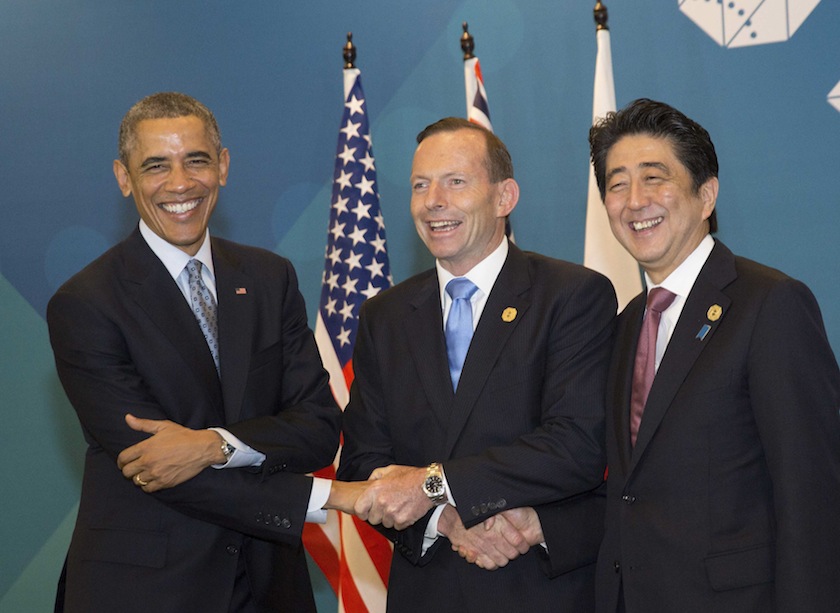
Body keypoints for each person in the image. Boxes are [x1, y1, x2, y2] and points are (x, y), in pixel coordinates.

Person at [47, 92, 346, 613]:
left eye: (197, 160)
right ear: (124, 178)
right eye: (156, 166)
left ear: (223, 166)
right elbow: (155, 468)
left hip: (271, 585)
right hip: (147, 592)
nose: (180, 184)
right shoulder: (85, 303)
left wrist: (213, 445)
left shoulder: (270, 278)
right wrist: (325, 498)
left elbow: (319, 427)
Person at [337, 117, 617, 612]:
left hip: (540, 588)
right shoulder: (384, 316)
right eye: (420, 185)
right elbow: (363, 464)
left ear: (504, 197)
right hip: (430, 590)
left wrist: (434, 487)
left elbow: (575, 444)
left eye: (455, 182)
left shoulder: (572, 296)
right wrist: (445, 520)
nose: (433, 201)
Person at [589, 98, 840, 612]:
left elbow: (811, 495)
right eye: (617, 184)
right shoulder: (627, 321)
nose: (634, 201)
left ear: (706, 196)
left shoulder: (770, 304)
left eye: (654, 177)